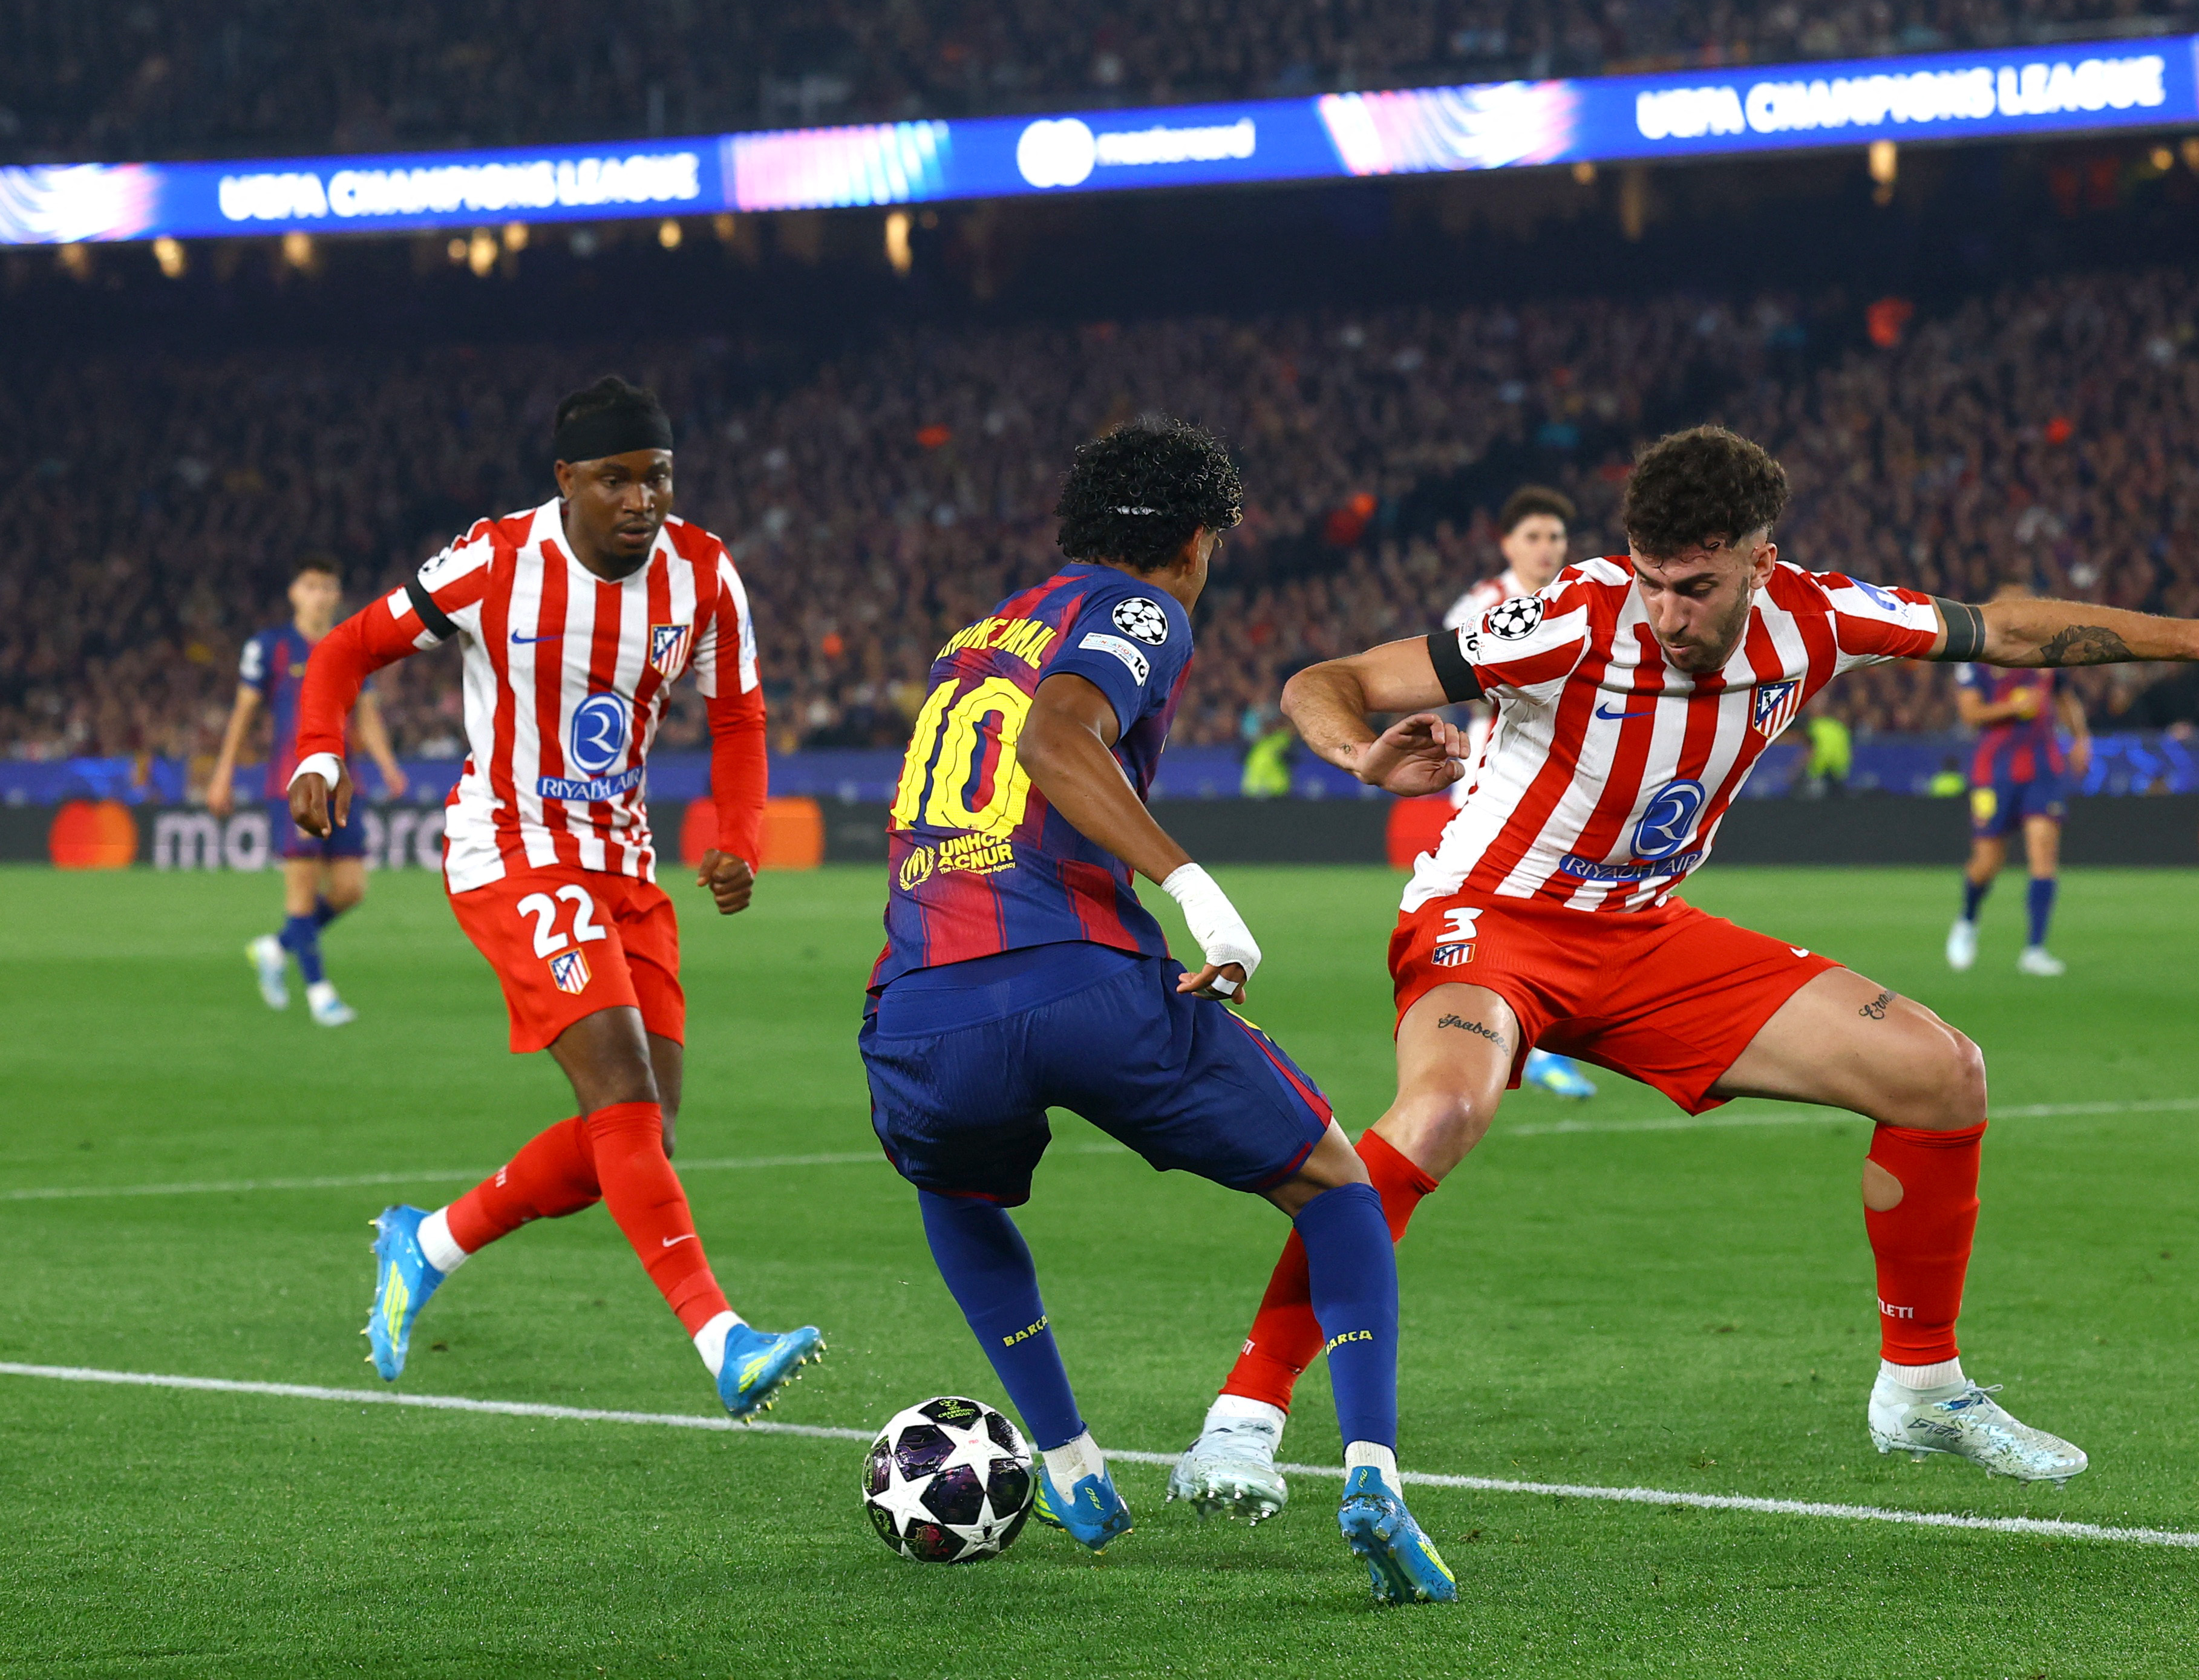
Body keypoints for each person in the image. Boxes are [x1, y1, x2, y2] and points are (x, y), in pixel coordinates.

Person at [1168, 425, 2199, 1518]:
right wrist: (1357, 754)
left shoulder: (1818, 616)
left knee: (1939, 1073)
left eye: (1698, 587)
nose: (1668, 613)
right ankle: (1244, 1416)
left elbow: (2009, 628)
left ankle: (1922, 1388)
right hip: (1491, 922)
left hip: (1642, 934)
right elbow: (1326, 680)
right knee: (1439, 1113)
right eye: (1652, 581)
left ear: (1759, 564)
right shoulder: (1571, 618)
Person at [858, 420, 1452, 1604]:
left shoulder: (971, 638)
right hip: (1082, 975)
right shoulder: (1140, 609)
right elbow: (1053, 737)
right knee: (1335, 1182)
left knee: (954, 1188)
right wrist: (1201, 900)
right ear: (1192, 542)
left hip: (921, 1006)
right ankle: (1374, 1473)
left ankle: (1071, 1462)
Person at [285, 376, 822, 1420]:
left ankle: (427, 1240)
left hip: (624, 865)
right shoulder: (496, 559)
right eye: (616, 479)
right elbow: (348, 648)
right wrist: (317, 750)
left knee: (640, 1130)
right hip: (510, 851)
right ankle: (725, 1339)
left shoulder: (705, 575)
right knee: (622, 1093)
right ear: (567, 480)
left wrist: (739, 839)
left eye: (656, 476)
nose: (640, 499)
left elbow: (741, 720)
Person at [1440, 486, 1598, 1100]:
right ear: (1508, 545)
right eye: (1533, 537)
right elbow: (1466, 682)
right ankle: (1515, 1040)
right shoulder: (1485, 602)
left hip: (1572, 772)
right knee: (1502, 911)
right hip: (1499, 775)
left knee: (1560, 909)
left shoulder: (1585, 601)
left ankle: (1526, 1036)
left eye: (1555, 537)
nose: (1546, 548)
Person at [206, 558, 407, 1026]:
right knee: (301, 890)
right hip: (290, 782)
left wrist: (388, 766)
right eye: (311, 586)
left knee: (351, 888)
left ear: (337, 595)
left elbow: (367, 714)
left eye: (327, 587)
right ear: (294, 593)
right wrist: (223, 773)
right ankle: (320, 993)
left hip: (343, 783)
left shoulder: (354, 645)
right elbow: (243, 715)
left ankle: (276, 946)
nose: (319, 595)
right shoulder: (270, 647)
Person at [1947, 585, 2093, 976]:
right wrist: (2014, 706)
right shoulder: (1973, 657)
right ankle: (1967, 919)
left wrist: (2080, 739)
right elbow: (1970, 714)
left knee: (2043, 851)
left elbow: (2065, 698)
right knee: (1987, 861)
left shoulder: (2046, 653)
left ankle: (2034, 949)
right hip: (1993, 773)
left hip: (2043, 767)